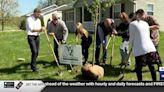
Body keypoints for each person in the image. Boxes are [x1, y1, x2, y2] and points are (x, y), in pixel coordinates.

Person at [129, 9, 161, 81]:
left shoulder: (149, 19)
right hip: (149, 44)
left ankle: (160, 68)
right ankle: (155, 80)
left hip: (154, 39)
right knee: (151, 65)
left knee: (141, 66)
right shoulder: (143, 23)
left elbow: (158, 26)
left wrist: (131, 44)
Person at [26, 8, 45, 72]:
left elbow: (39, 29)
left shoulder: (39, 20)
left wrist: (42, 29)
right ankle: (34, 68)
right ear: (35, 13)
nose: (40, 15)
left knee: (37, 52)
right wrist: (40, 30)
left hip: (37, 37)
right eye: (39, 13)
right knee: (34, 52)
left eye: (40, 13)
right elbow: (32, 29)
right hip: (31, 37)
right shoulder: (29, 19)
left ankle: (32, 65)